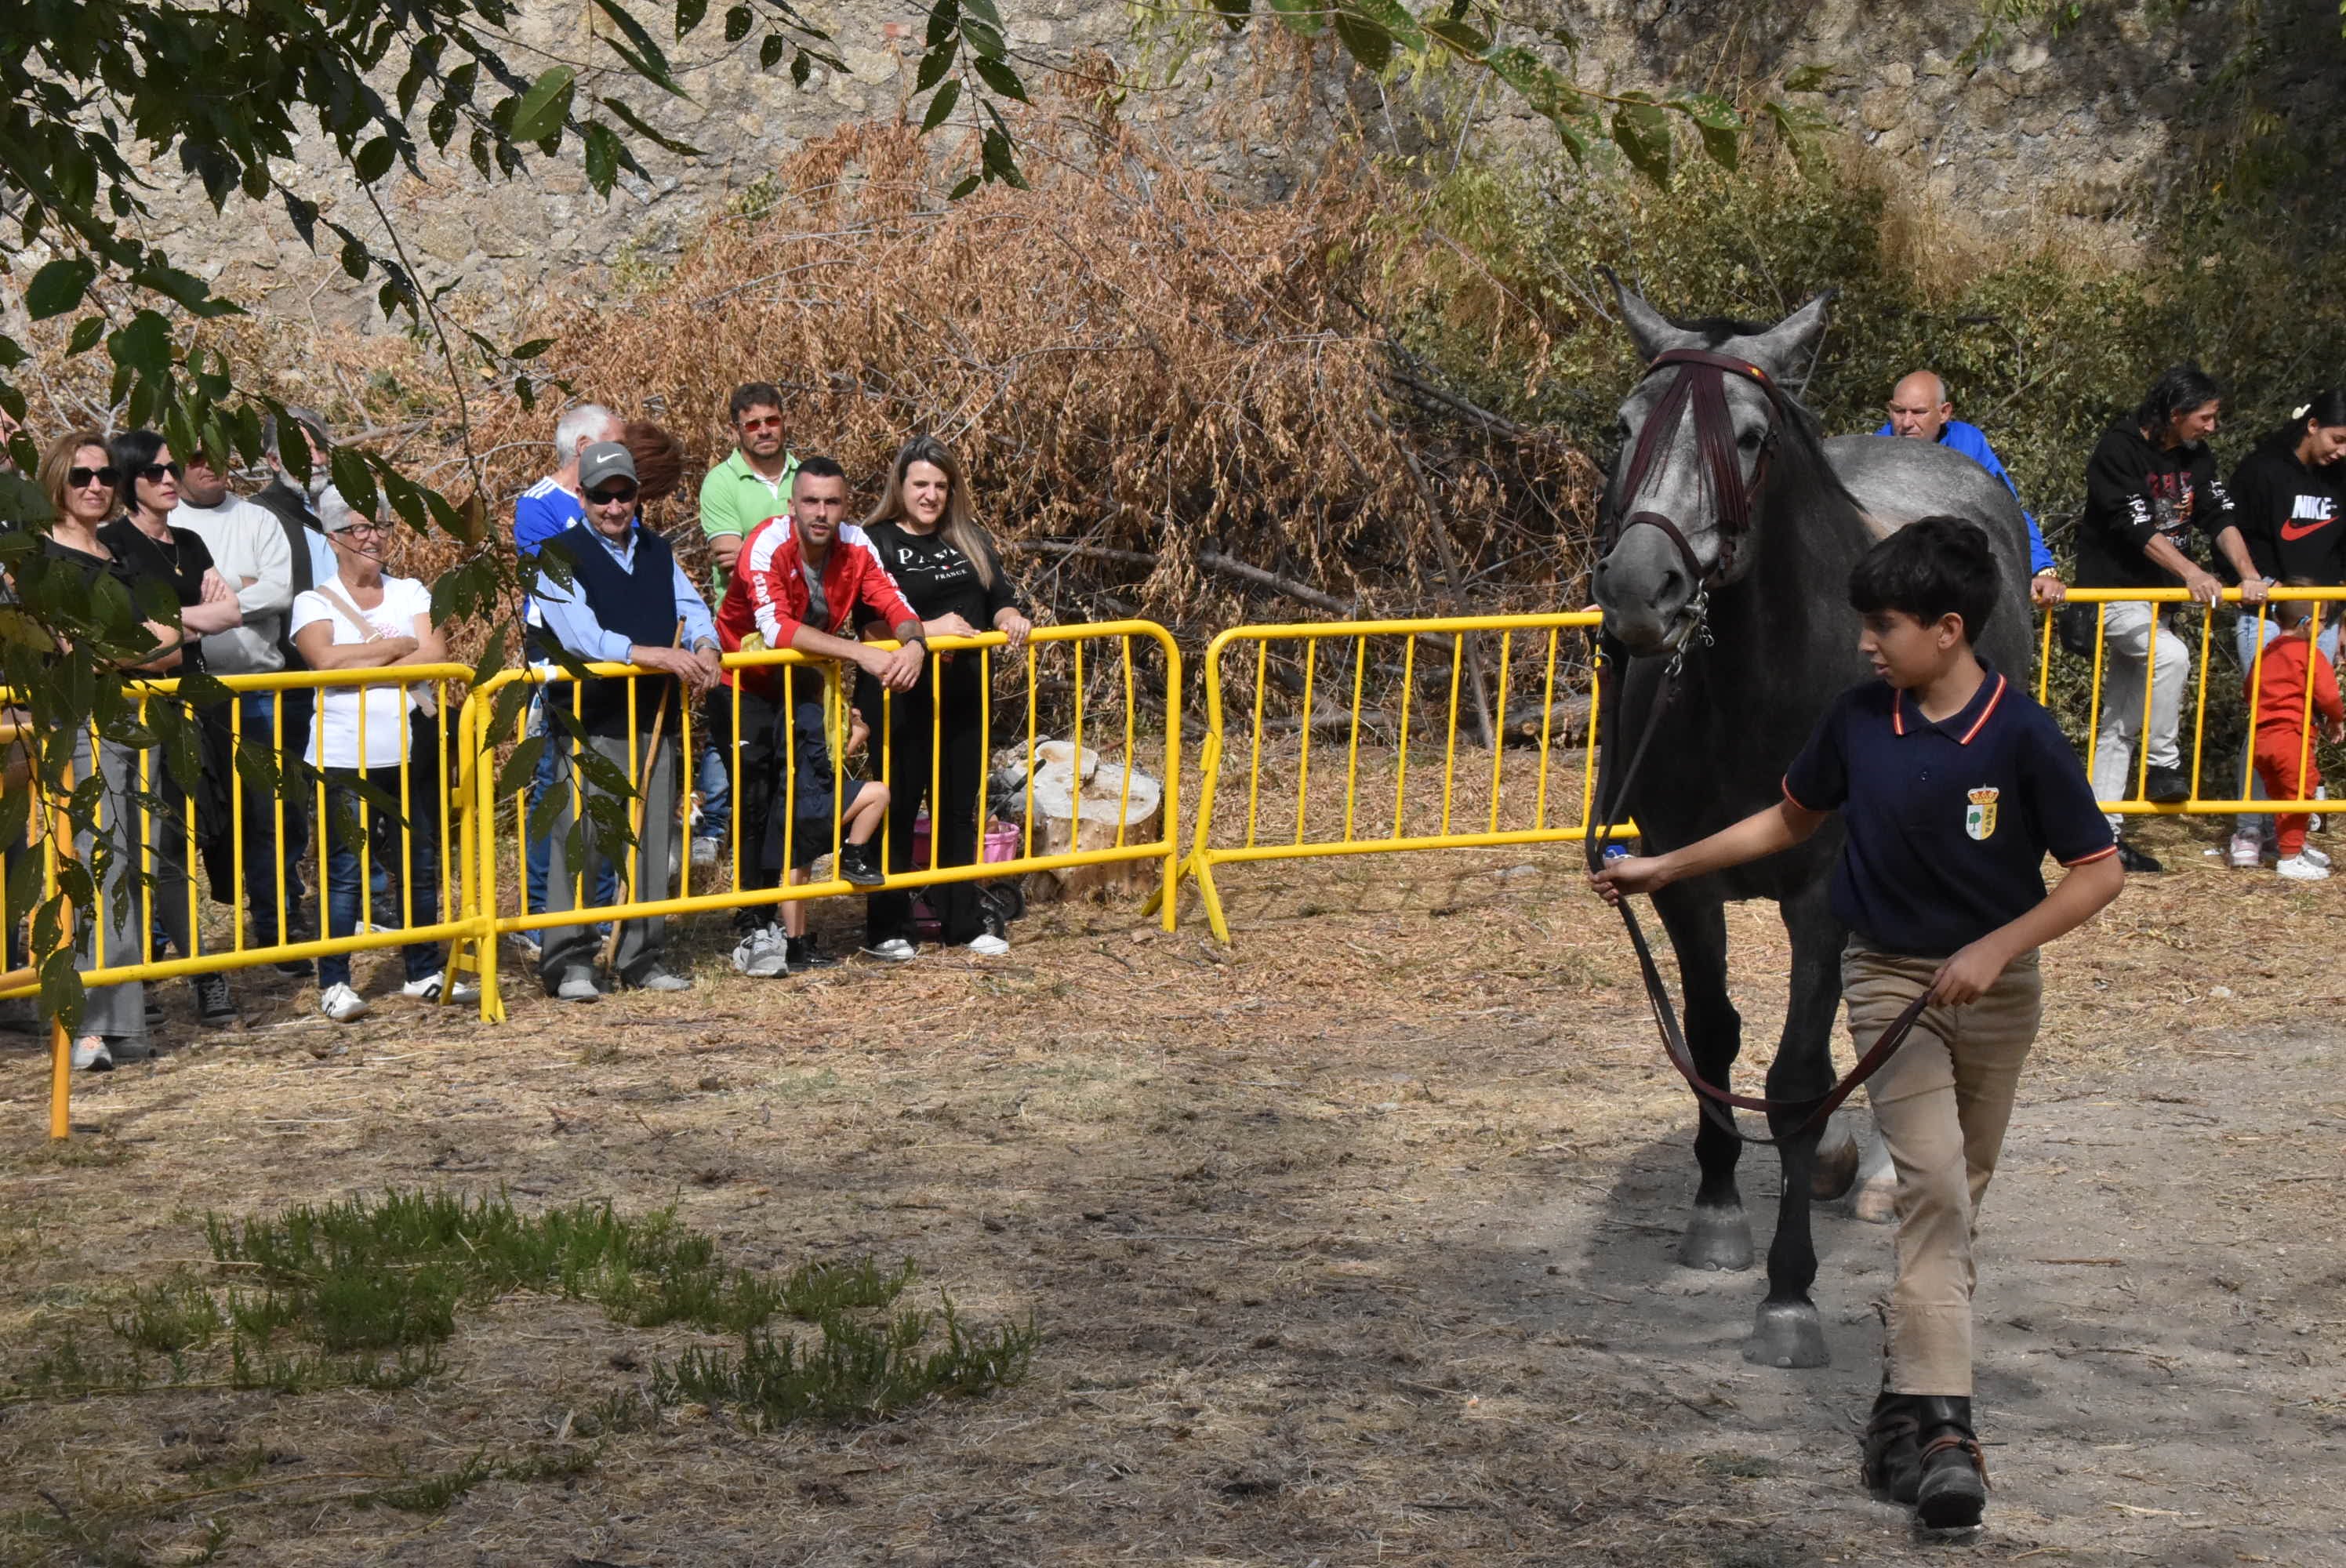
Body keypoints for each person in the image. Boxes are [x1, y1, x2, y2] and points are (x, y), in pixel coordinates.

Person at [1594, 517, 2125, 1530]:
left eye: (1883, 626)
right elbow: (1788, 820)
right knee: (1931, 1190)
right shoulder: (1853, 721)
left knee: (1954, 1204)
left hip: (1998, 997)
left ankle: (1898, 1401)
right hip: (1889, 985)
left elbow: (2096, 874)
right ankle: (1948, 1438)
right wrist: (1665, 865)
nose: (1865, 645)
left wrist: (1999, 948)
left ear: (1951, 629)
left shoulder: (2021, 733)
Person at [529, 441, 721, 1000]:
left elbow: (691, 607)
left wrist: (705, 645)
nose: (614, 508)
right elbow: (581, 640)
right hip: (586, 724)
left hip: (652, 719)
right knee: (580, 841)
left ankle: (641, 956)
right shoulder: (555, 556)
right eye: (601, 496)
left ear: (639, 495)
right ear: (582, 497)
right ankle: (569, 962)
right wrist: (656, 655)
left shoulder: (658, 551)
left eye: (624, 495)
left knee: (651, 837)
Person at [717, 456, 922, 975]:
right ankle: (753, 922)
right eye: (811, 501)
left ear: (845, 506)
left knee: (801, 803)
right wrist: (862, 654)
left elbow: (894, 602)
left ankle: (790, 935)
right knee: (756, 800)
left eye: (832, 502)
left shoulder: (856, 543)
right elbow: (777, 628)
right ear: (793, 505)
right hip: (744, 683)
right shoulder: (766, 542)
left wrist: (914, 645)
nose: (821, 512)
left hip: (807, 688)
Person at [27, 433, 185, 1070]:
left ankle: (123, 1024)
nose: (96, 485)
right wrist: (126, 645)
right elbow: (72, 649)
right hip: (76, 724)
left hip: (127, 719)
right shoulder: (40, 558)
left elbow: (173, 642)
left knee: (126, 867)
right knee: (90, 870)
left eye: (104, 476)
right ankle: (83, 1023)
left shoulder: (118, 554)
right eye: (80, 476)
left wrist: (117, 647)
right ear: (56, 483)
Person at [289, 489, 472, 1020]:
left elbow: (436, 651)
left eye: (382, 527)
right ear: (333, 539)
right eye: (358, 528)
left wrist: (366, 658)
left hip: (411, 748)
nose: (373, 537)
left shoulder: (411, 589)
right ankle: (335, 982)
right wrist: (396, 649)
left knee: (419, 861)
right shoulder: (315, 601)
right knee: (345, 869)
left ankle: (423, 970)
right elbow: (324, 661)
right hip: (345, 753)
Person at [2074, 364, 2261, 873]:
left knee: (2119, 723)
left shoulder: (2196, 455)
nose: (2212, 428)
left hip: (2159, 602)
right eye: (2205, 418)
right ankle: (2164, 764)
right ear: (2174, 415)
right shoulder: (2118, 449)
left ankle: (2101, 838)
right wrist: (2192, 573)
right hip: (2112, 596)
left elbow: (2219, 516)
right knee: (2173, 656)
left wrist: (2248, 575)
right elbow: (2135, 526)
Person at [855, 437, 1030, 960]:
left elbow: (998, 597)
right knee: (898, 808)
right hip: (900, 697)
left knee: (958, 809)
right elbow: (864, 621)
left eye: (939, 485)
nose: (929, 495)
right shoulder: (876, 540)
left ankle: (962, 920)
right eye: (920, 484)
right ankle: (889, 926)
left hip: (964, 696)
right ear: (900, 487)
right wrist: (929, 630)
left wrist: (1010, 619)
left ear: (951, 490)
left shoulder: (969, 538)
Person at [100, 430, 245, 1031]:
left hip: (195, 706)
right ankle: (135, 980)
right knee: (134, 848)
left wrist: (172, 623)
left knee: (188, 844)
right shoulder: (113, 544)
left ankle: (201, 971)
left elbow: (231, 612)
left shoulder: (189, 540)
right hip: (134, 713)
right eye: (155, 472)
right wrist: (193, 620)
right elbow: (133, 631)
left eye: (171, 470)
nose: (169, 480)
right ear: (130, 481)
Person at [174, 445, 307, 958]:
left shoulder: (258, 519)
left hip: (257, 690)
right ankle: (169, 943)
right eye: (195, 457)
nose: (211, 467)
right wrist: (239, 589)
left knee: (270, 812)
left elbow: (278, 591)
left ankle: (278, 923)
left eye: (222, 456)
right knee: (185, 816)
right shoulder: (164, 528)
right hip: (186, 693)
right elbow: (157, 597)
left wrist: (206, 600)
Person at [2221, 393, 2346, 868]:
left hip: (2325, 616)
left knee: (2301, 726)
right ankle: (2250, 830)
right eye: (2337, 439)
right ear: (2312, 425)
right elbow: (2231, 532)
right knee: (2266, 723)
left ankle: (2287, 835)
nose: (2341, 451)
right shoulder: (2261, 469)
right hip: (2267, 615)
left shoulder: (2341, 478)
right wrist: (2254, 583)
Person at [625, 416, 727, 874]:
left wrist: (705, 641)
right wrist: (644, 653)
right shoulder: (566, 523)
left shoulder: (649, 542)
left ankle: (649, 885)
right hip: (601, 690)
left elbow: (683, 594)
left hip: (650, 689)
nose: (630, 505)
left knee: (654, 787)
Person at [1878, 372, 2063, 604]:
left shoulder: (1969, 443)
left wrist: (2042, 570)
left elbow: (2008, 510)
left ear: (1944, 412)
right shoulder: (1874, 451)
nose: (1905, 423)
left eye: (1919, 413)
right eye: (1898, 411)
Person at [2240, 586, 2344, 882]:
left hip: (2262, 739)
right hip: (2291, 738)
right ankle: (2289, 858)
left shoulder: (2266, 652)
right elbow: (2328, 695)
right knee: (2301, 793)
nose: (2324, 626)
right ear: (2308, 624)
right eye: (2323, 620)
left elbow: (2249, 690)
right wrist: (2337, 719)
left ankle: (2294, 846)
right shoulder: (2308, 653)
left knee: (2282, 796)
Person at [697, 382, 799, 602]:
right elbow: (736, 572)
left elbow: (830, 558)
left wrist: (751, 555)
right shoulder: (720, 483)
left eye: (772, 421)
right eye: (752, 425)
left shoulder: (807, 478)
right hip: (744, 623)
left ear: (785, 421)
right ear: (735, 431)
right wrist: (800, 555)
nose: (764, 431)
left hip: (807, 619)